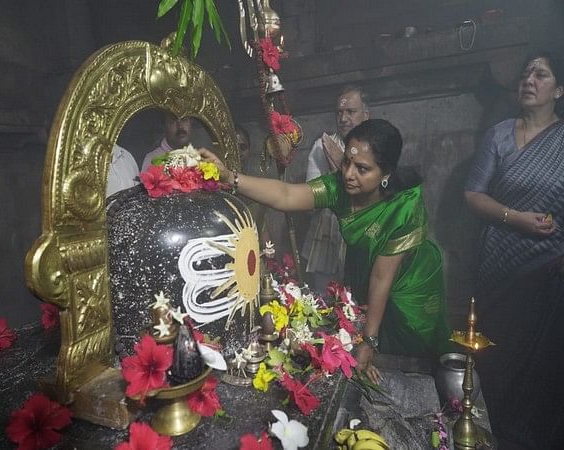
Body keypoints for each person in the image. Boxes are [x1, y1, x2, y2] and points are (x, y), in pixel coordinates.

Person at [200, 119, 452, 384]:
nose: (348, 174)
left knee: (408, 343)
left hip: (411, 280)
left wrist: (369, 341)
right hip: (367, 264)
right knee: (362, 325)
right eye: (346, 162)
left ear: (385, 174)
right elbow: (287, 195)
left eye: (362, 168)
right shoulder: (340, 188)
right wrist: (231, 178)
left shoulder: (405, 207)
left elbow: (382, 277)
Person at [464, 52, 564, 450]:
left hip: (549, 273)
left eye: (541, 75)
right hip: (498, 266)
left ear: (559, 89)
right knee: (497, 361)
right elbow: (473, 194)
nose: (529, 80)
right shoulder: (500, 134)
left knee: (541, 369)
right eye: (526, 73)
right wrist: (515, 218)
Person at [302, 86, 370, 293]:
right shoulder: (321, 147)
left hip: (365, 227)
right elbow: (310, 200)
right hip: (328, 232)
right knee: (326, 303)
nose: (344, 118)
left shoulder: (377, 148)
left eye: (351, 111)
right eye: (339, 113)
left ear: (366, 114)